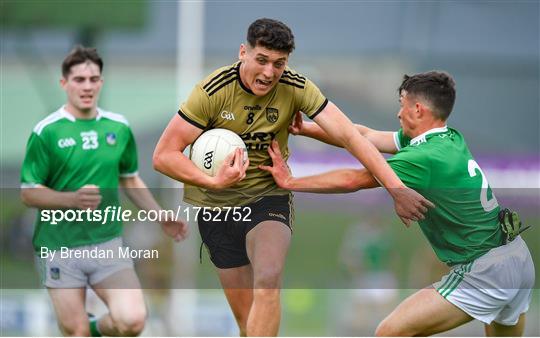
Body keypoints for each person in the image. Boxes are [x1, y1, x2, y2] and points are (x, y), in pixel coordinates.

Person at [152, 18, 433, 336]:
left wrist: (396, 189)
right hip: (217, 207)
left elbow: (351, 138)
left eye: (279, 63)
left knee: (269, 279)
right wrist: (214, 181)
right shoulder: (212, 91)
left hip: (267, 197)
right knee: (247, 322)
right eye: (261, 60)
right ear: (243, 52)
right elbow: (164, 156)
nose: (269, 72)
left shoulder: (296, 87)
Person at [260, 71, 535, 336]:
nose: (398, 113)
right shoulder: (449, 138)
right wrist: (304, 129)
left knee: (390, 332)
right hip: (517, 259)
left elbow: (353, 179)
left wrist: (292, 181)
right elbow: (363, 137)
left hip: (485, 270)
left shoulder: (423, 158)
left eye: (402, 105)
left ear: (418, 109)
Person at [20, 45, 188, 337]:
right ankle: (84, 328)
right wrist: (70, 200)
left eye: (93, 79)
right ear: (64, 83)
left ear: (101, 82)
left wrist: (161, 216)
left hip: (107, 243)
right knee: (76, 331)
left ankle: (94, 327)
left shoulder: (118, 128)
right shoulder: (46, 132)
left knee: (133, 320)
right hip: (59, 246)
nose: (87, 86)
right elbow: (28, 193)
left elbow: (130, 179)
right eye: (79, 80)